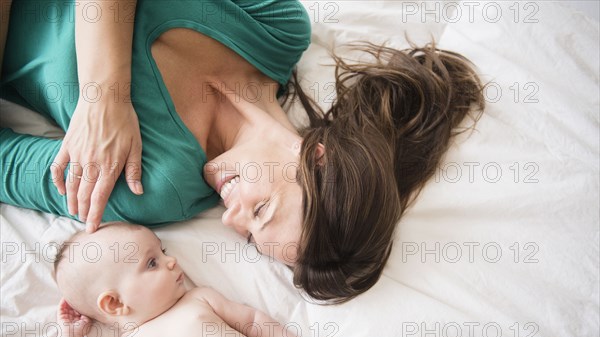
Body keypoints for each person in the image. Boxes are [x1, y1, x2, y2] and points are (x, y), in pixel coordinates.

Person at [1, 0, 485, 302]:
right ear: (319, 157)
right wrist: (102, 95)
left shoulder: (153, 185)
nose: (232, 219)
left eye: (249, 235)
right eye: (261, 209)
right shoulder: (275, 27)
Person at [50, 222, 364, 337]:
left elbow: (251, 321)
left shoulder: (197, 300)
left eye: (163, 251)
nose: (171, 261)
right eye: (151, 262)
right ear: (115, 304)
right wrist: (71, 336)